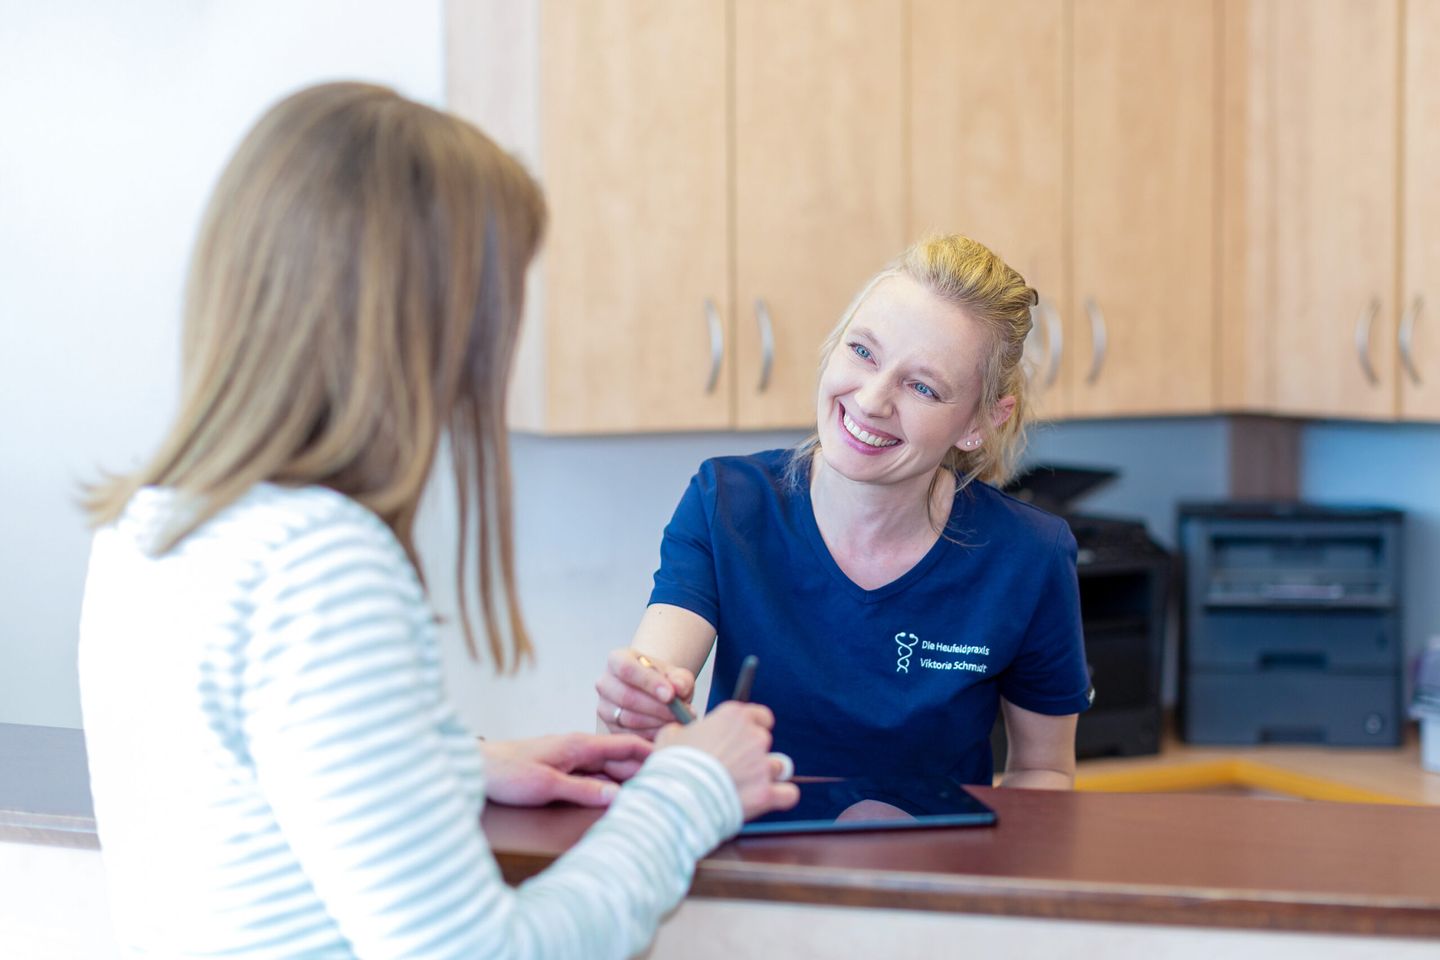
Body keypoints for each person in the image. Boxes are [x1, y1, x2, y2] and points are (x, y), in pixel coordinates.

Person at [77, 82, 796, 960]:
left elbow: (254, 784)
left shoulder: (155, 523)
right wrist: (693, 788)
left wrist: (447, 763)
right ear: (423, 318)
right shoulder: (321, 561)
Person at [595, 235, 1092, 789]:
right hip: (751, 839)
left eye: (922, 387)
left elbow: (1044, 769)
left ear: (981, 422)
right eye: (862, 351)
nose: (872, 400)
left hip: (937, 848)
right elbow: (646, 704)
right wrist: (634, 708)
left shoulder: (1030, 555)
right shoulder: (728, 503)